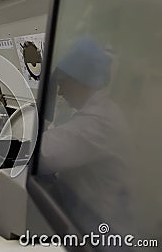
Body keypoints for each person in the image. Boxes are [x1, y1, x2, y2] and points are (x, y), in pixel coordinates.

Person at [38, 37, 135, 239]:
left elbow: (45, 155)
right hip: (84, 211)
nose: (61, 91)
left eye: (63, 83)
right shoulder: (94, 111)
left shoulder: (100, 121)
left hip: (103, 226)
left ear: (81, 81)